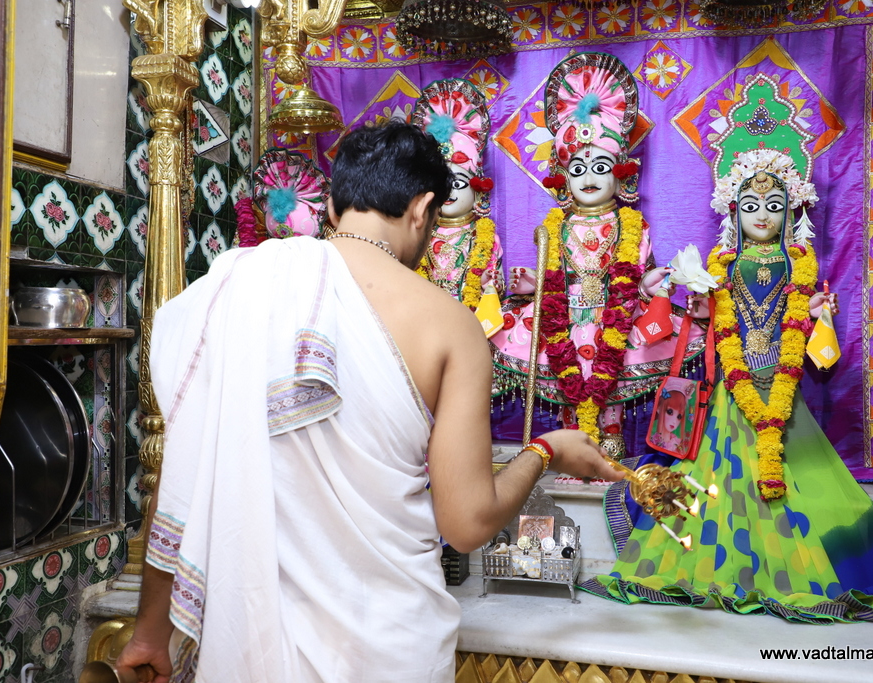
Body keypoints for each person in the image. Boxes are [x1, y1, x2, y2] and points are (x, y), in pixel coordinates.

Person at [116, 120, 624, 683]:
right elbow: (468, 522)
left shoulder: (245, 288)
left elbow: (183, 479)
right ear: (423, 209)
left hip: (250, 639)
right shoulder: (449, 325)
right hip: (389, 645)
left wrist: (150, 632)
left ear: (333, 207)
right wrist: (546, 449)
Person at [584, 148, 873, 623]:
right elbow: (712, 321)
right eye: (752, 206)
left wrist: (817, 312)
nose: (763, 215)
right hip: (730, 389)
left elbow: (798, 318)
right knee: (715, 484)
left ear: (792, 212)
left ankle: (781, 568)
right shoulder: (723, 263)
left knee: (812, 488)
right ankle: (721, 565)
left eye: (775, 206)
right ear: (734, 212)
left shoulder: (797, 262)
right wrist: (694, 301)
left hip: (781, 386)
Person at [488, 52, 703, 461]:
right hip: (564, 315)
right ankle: (573, 445)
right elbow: (554, 277)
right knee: (567, 374)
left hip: (614, 314)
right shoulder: (555, 226)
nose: (588, 177)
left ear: (621, 176)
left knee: (610, 372)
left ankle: (611, 441)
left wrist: (651, 282)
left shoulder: (630, 224)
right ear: (563, 179)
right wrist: (533, 284)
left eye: (600, 167)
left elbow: (636, 274)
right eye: (578, 169)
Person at [412, 78, 504, 310]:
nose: (448, 191)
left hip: (470, 315)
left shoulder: (481, 235)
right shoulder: (422, 234)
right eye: (441, 183)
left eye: (458, 183)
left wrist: (489, 283)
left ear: (477, 189)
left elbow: (496, 287)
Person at [647, 387, 687, 453]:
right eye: (670, 412)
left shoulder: (678, 444)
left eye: (679, 416)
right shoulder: (650, 441)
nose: (674, 421)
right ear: (658, 408)